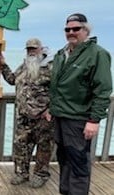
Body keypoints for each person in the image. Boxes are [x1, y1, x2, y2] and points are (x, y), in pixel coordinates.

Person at [49, 13, 112, 195]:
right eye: (67, 29)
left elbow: (103, 90)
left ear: (86, 30)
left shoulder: (98, 54)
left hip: (79, 119)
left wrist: (94, 120)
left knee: (78, 162)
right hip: (60, 117)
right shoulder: (62, 54)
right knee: (64, 157)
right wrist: (51, 108)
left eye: (76, 29)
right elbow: (56, 86)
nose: (71, 32)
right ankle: (66, 191)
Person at [0, 38, 54, 188]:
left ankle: (40, 175)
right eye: (29, 49)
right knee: (21, 145)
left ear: (41, 49)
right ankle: (21, 173)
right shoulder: (25, 66)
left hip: (43, 117)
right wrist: (3, 64)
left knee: (43, 147)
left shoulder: (51, 67)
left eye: (34, 49)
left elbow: (60, 91)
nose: (31, 51)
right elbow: (12, 79)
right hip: (23, 117)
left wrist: (51, 110)